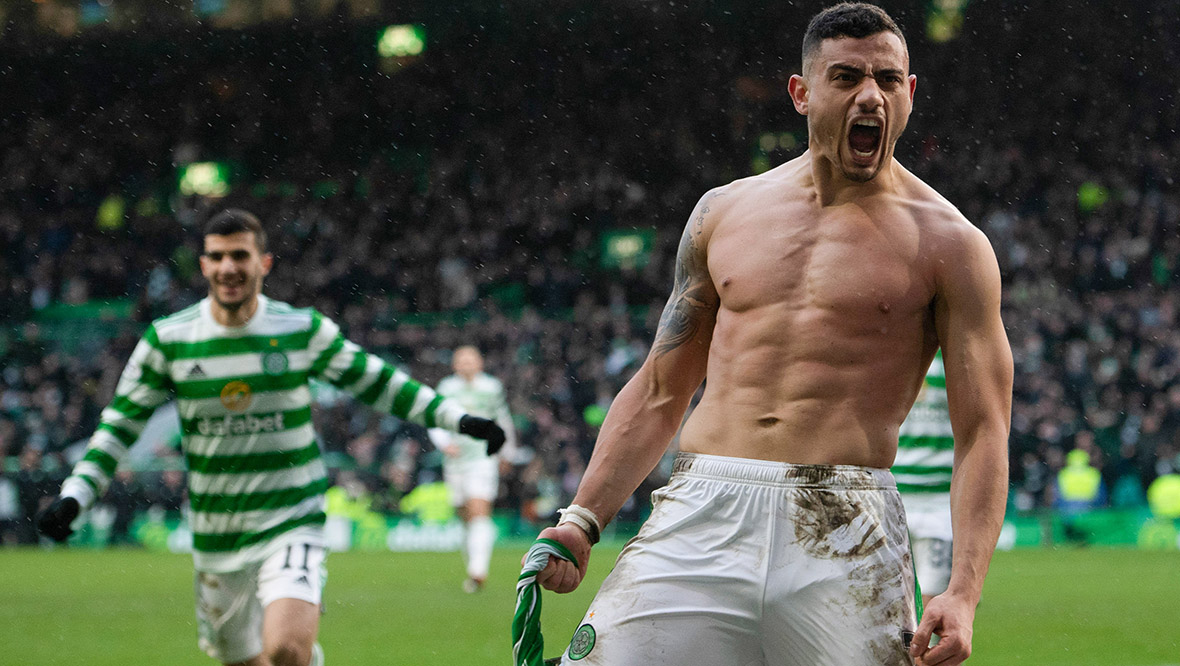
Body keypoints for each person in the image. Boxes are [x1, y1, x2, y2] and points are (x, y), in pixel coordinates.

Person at [530, 4, 1012, 666]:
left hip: (846, 524)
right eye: (846, 77)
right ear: (801, 92)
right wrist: (583, 519)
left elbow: (983, 430)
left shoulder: (952, 246)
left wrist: (962, 592)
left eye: (888, 79)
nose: (871, 95)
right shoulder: (723, 213)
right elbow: (662, 387)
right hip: (701, 510)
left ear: (910, 93)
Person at [36, 209, 505, 666]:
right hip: (217, 536)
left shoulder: (300, 330)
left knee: (286, 650)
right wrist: (76, 495)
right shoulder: (168, 341)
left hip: (291, 520)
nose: (228, 268)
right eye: (217, 257)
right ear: (203, 266)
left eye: (240, 255)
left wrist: (459, 420)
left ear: (264, 263)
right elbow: (119, 426)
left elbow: (379, 382)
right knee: (246, 659)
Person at [427, 345, 517, 592]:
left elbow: (502, 419)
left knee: (479, 509)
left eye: (471, 360)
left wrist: (507, 451)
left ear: (480, 363)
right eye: (462, 360)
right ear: (455, 365)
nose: (466, 364)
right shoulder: (446, 388)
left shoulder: (491, 388)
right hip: (455, 461)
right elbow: (433, 419)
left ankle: (478, 570)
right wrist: (444, 443)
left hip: (482, 457)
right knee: (464, 514)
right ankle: (473, 570)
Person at [893, 350, 954, 607]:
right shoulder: (891, 351)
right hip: (893, 491)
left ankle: (924, 647)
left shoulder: (956, 353)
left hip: (940, 497)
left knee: (934, 595)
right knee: (890, 596)